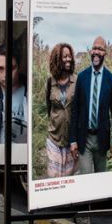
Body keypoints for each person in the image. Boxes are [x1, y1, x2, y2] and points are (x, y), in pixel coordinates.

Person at [69, 36, 112, 174]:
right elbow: (75, 111)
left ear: (105, 53)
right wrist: (73, 140)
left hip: (101, 139)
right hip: (84, 138)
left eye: (100, 49)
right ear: (91, 51)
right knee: (86, 178)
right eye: (94, 48)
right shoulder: (82, 77)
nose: (96, 51)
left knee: (100, 179)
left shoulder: (110, 80)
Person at [44, 42, 77, 177]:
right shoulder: (49, 82)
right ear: (57, 59)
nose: (68, 59)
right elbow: (49, 107)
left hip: (72, 138)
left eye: (70, 56)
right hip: (54, 137)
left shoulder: (77, 81)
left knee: (70, 176)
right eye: (64, 56)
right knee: (54, 177)